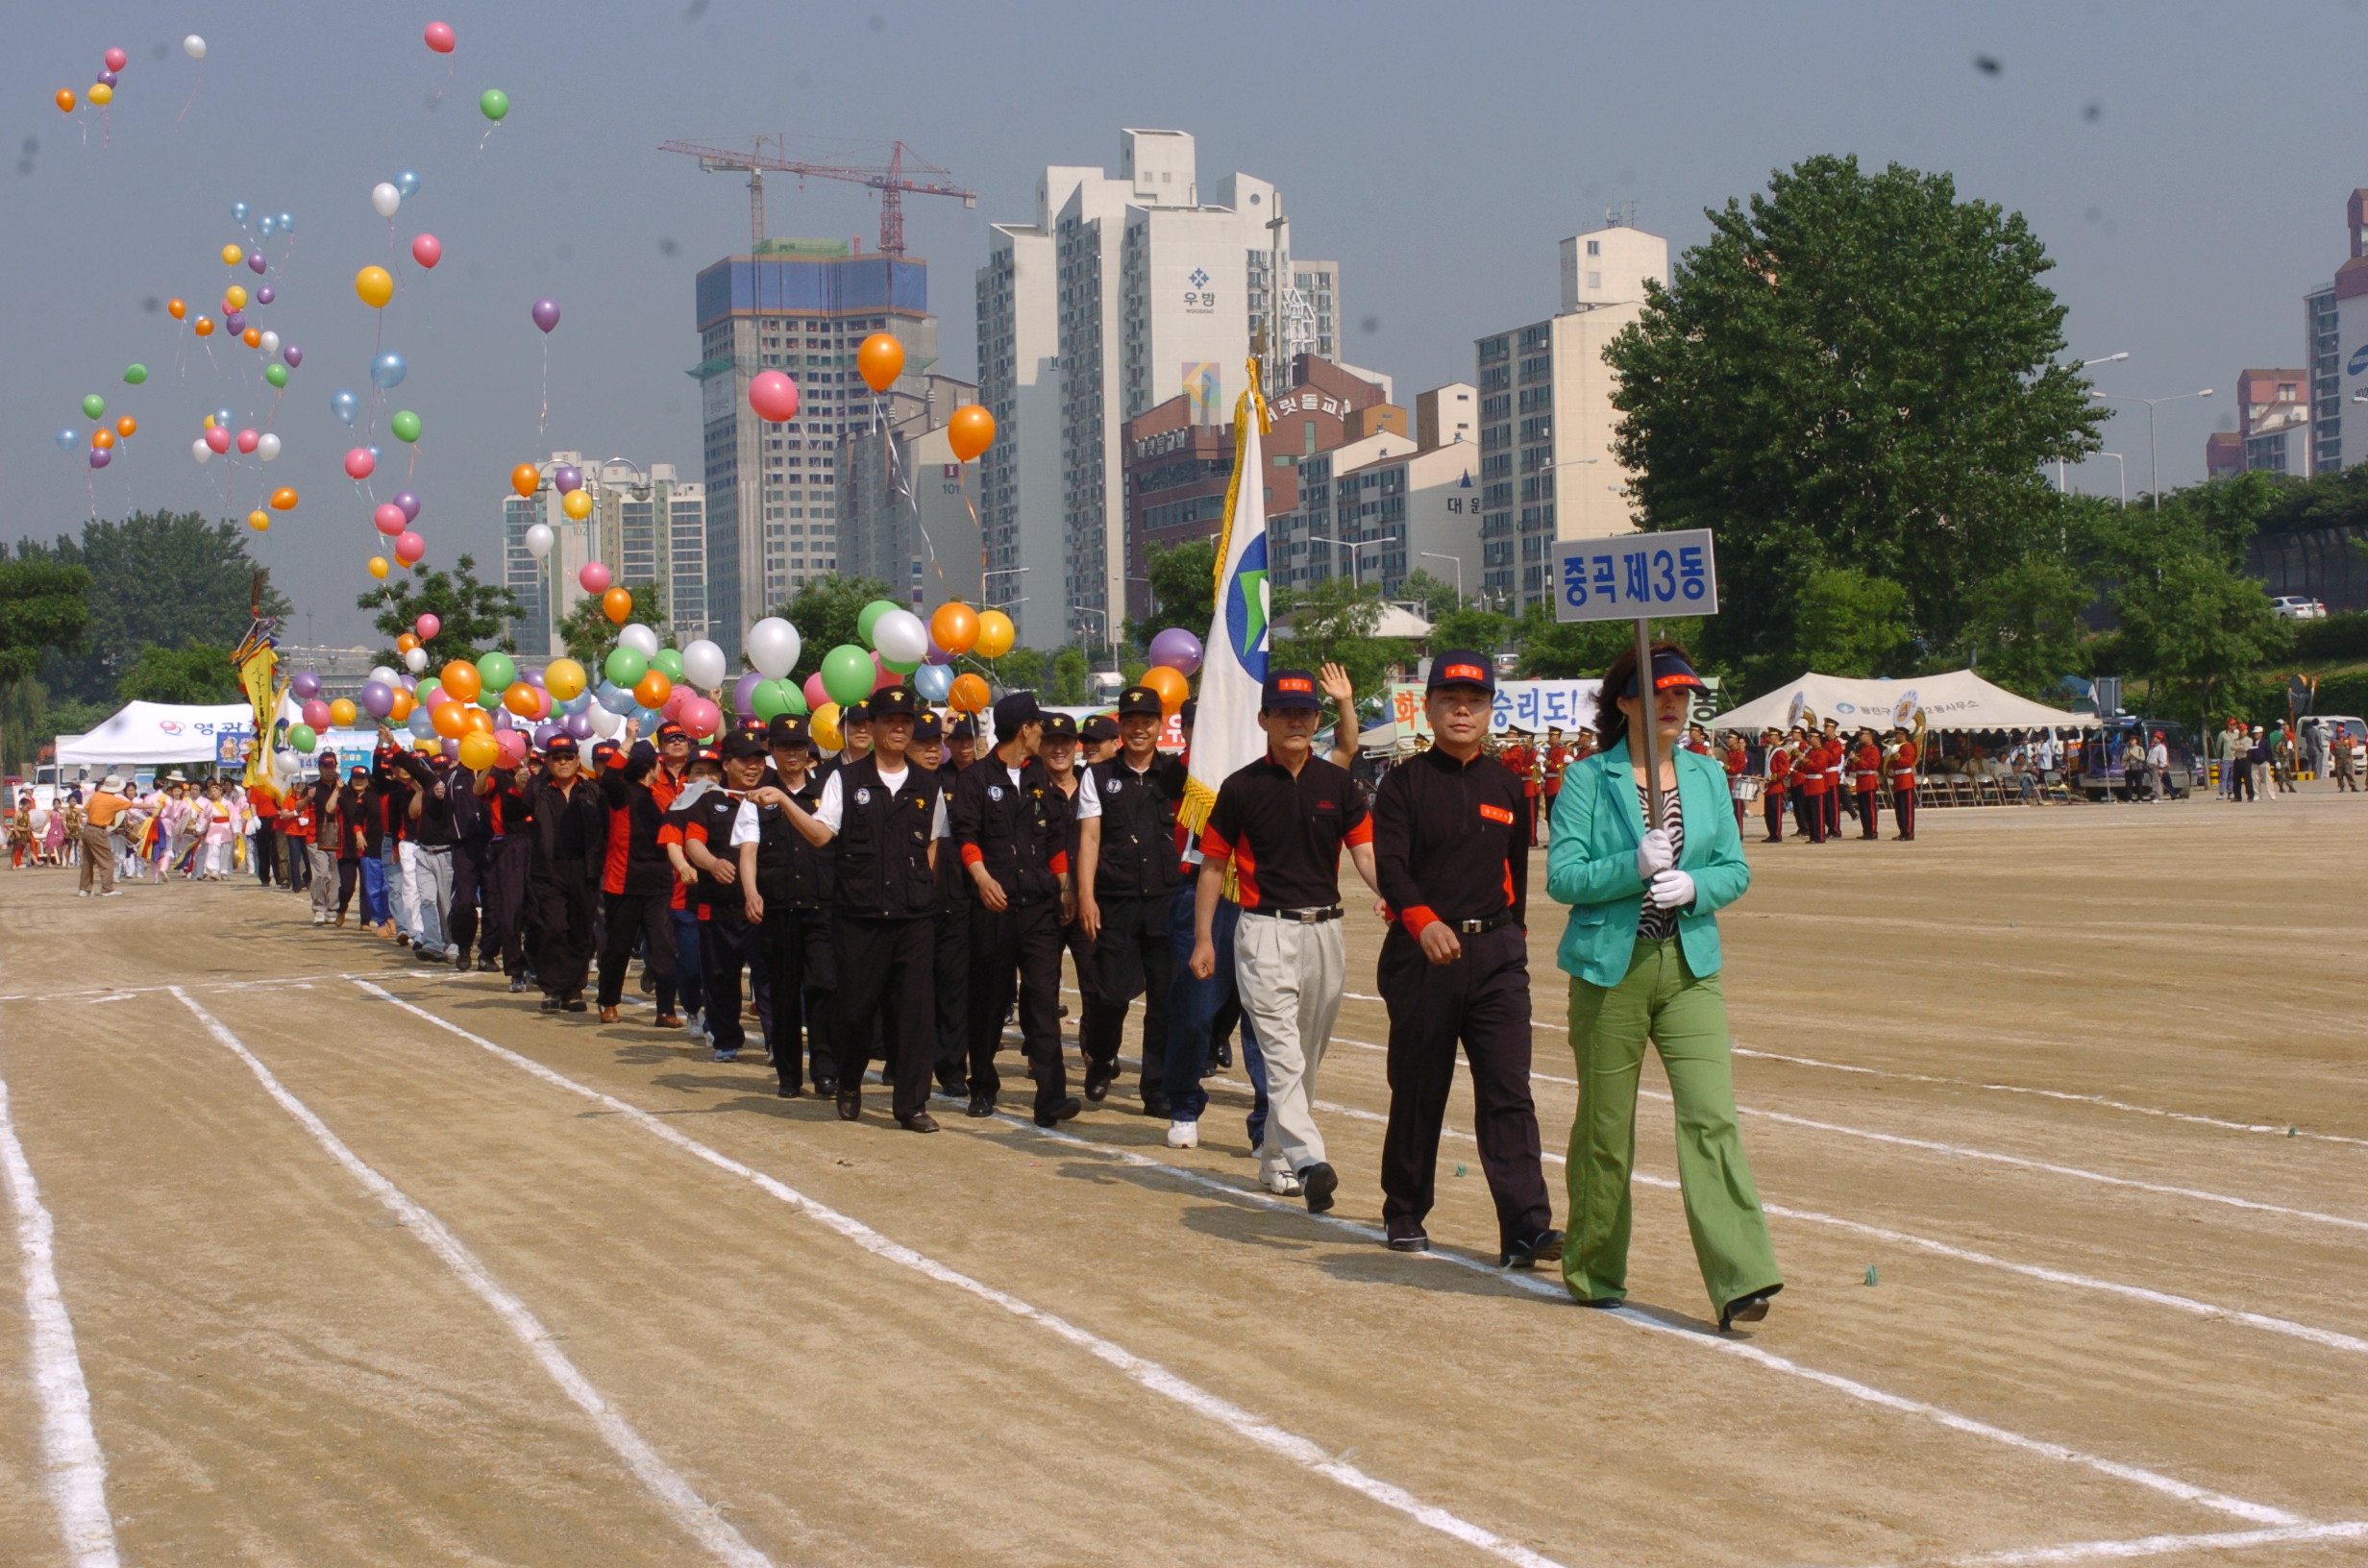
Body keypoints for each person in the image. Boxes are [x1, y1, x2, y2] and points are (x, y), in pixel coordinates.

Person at [1546, 640, 1781, 1332]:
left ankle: (1741, 1277)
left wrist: (1696, 885)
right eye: (1658, 692)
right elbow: (1564, 878)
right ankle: (1593, 1268)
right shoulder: (1589, 779)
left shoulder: (1707, 778)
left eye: (1682, 693)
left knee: (1711, 1117)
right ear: (1625, 703)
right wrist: (1632, 864)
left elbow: (1734, 870)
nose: (1674, 704)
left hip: (1689, 970)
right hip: (1609, 971)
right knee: (1606, 1129)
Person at [1369, 652, 1559, 1266]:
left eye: (1474, 700)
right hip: (1424, 956)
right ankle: (1404, 1209)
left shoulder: (1508, 785)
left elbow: (1518, 873)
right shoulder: (1402, 784)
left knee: (1508, 1090)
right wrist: (1419, 920)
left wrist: (1514, 939)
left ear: (1488, 710)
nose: (1462, 709)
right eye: (1449, 698)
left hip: (1497, 956)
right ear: (1426, 707)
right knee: (1421, 1088)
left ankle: (1526, 1227)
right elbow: (1391, 867)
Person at [1191, 669, 1385, 1211]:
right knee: (1280, 1053)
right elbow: (1212, 868)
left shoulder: (1337, 783)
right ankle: (1310, 1158)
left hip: (1326, 932)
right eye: (1283, 712)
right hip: (1263, 932)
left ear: (1315, 720)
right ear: (1264, 721)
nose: (1295, 721)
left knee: (1307, 1055)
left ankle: (1277, 1158)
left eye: (1304, 712)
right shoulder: (1241, 787)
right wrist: (1204, 939)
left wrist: (1392, 894)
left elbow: (1364, 851)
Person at [769, 683, 950, 1132]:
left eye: (904, 723)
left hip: (912, 918)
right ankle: (849, 1082)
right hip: (859, 916)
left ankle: (911, 1105)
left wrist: (920, 892)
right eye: (889, 722)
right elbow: (819, 835)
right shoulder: (845, 780)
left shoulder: (929, 783)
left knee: (914, 1014)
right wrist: (783, 802)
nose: (897, 730)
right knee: (853, 1012)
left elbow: (931, 847)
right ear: (871, 728)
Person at [952, 692, 1078, 1126]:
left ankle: (1052, 1097)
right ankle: (982, 1085)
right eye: (1038, 725)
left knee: (1043, 1002)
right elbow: (966, 836)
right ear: (1024, 729)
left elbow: (1055, 841)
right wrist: (983, 879)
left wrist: (1064, 887)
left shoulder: (1039, 775)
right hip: (993, 907)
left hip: (1039, 908)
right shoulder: (974, 779)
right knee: (988, 1000)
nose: (1044, 732)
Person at [1078, 686, 1187, 1115]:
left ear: (1161, 726)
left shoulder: (1178, 775)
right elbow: (1088, 838)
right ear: (1120, 726)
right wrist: (1085, 896)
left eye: (1147, 721)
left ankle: (1155, 1088)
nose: (1139, 728)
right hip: (1115, 900)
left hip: (1167, 901)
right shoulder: (1099, 775)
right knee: (1109, 996)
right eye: (1131, 721)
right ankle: (1102, 1058)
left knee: (1164, 1001)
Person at [737, 715, 837, 1095]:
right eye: (783, 747)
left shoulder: (827, 790)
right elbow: (749, 850)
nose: (792, 754)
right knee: (783, 992)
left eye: (798, 746)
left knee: (824, 987)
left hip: (821, 903)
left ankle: (825, 1069)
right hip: (778, 907)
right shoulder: (757, 797)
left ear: (808, 749)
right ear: (772, 752)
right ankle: (789, 1074)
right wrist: (750, 891)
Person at [679, 732, 772, 1061]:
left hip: (762, 907)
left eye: (758, 760)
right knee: (719, 976)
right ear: (727, 764)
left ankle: (775, 1040)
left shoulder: (772, 797)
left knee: (767, 976)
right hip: (716, 905)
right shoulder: (708, 800)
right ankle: (727, 1040)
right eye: (744, 760)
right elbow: (692, 843)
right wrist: (712, 863)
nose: (752, 767)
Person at [513, 736, 604, 1012]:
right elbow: (515, 814)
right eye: (556, 758)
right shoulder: (538, 790)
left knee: (581, 931)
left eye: (568, 757)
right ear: (548, 762)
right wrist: (523, 786)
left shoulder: (591, 791)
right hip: (548, 870)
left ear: (578, 760)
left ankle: (574, 990)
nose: (563, 762)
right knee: (552, 928)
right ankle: (551, 989)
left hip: (584, 870)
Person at [594, 741, 678, 1025]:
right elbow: (608, 776)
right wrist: (628, 742)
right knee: (617, 947)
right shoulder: (621, 793)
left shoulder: (661, 795)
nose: (663, 767)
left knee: (664, 946)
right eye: (659, 762)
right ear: (650, 766)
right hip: (624, 882)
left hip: (659, 883)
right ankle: (608, 1002)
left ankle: (666, 1009)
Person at [77, 776, 130, 896]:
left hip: (88, 829)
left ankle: (84, 889)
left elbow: (84, 810)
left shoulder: (96, 796)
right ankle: (107, 889)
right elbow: (134, 805)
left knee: (87, 861)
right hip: (99, 831)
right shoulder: (113, 800)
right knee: (107, 860)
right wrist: (153, 805)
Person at [1850, 729, 1883, 840]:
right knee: (1863, 808)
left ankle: (1872, 831)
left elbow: (1871, 765)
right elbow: (1856, 767)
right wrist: (1852, 761)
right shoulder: (1861, 749)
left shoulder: (1873, 749)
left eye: (1862, 735)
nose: (1860, 737)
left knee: (1870, 808)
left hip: (1868, 780)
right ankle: (1866, 831)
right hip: (1861, 780)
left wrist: (1856, 759)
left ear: (1869, 736)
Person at [1759, 729, 1790, 844]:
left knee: (1775, 812)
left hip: (1776, 785)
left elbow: (1784, 769)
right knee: (1769, 812)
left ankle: (1776, 834)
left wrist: (1774, 777)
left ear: (1777, 737)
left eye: (1771, 735)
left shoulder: (1780, 751)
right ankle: (1772, 833)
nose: (1769, 738)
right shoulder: (1771, 749)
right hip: (1769, 786)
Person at [1888, 728, 1920, 841]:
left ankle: (1909, 833)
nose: (1895, 736)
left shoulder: (1908, 747)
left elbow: (1907, 762)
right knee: (1900, 809)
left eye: (1897, 734)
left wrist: (1896, 755)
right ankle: (1902, 831)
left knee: (1907, 809)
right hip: (1898, 779)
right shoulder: (1899, 746)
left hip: (1906, 780)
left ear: (1903, 735)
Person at [2334, 726, 2360, 793]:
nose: (2340, 734)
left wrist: (2351, 736)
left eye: (2342, 732)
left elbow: (2353, 745)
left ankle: (2353, 786)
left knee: (2349, 774)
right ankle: (2341, 787)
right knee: (2339, 775)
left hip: (2347, 760)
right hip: (2339, 761)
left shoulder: (2347, 740)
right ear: (2337, 733)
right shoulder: (2334, 742)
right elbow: (2332, 750)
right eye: (2339, 732)